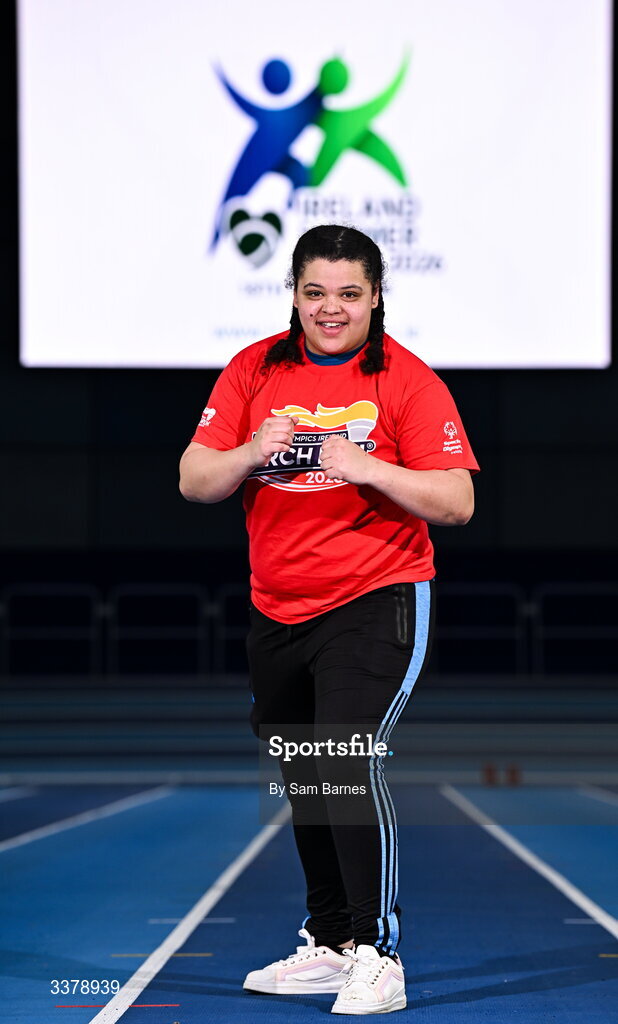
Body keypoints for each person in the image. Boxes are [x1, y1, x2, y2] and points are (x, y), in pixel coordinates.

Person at [179, 224, 479, 1015]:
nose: (332, 309)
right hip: (278, 609)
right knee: (304, 771)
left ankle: (378, 954)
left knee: (343, 757)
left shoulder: (407, 381)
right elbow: (194, 478)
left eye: (349, 293)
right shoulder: (254, 370)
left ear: (376, 297)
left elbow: (457, 500)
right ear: (295, 295)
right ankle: (332, 941)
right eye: (316, 292)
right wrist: (250, 452)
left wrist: (368, 465)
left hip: (376, 597)